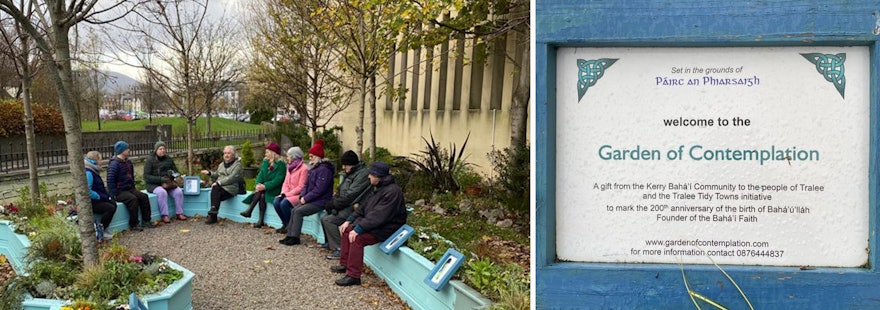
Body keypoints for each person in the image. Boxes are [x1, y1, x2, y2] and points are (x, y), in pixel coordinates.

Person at [330, 162, 407, 286]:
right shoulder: (378, 187)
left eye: (371, 174)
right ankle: (344, 264)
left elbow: (378, 216)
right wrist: (349, 220)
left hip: (388, 228)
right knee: (346, 230)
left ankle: (353, 276)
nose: (368, 176)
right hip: (377, 225)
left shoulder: (393, 192)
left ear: (378, 176)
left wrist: (359, 228)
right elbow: (364, 207)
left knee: (357, 238)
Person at [279, 139, 335, 245]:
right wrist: (302, 196)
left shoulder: (324, 170)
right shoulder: (314, 169)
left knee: (298, 212)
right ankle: (290, 235)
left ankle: (295, 237)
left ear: (318, 157)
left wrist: (306, 198)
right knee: (294, 210)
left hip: (321, 201)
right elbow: (306, 185)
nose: (309, 159)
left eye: (311, 156)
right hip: (312, 199)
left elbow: (319, 189)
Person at [320, 150, 370, 259]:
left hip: (354, 207)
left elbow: (350, 195)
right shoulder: (351, 173)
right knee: (324, 216)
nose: (343, 167)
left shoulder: (362, 175)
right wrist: (334, 202)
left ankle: (340, 249)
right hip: (345, 205)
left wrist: (334, 204)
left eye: (345, 165)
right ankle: (329, 243)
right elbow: (341, 191)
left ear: (352, 164)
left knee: (328, 220)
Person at [107, 140, 153, 231]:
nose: (129, 150)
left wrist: (133, 188)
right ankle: (133, 224)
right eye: (127, 149)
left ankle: (146, 220)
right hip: (119, 191)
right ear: (121, 151)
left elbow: (131, 177)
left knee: (144, 197)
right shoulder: (114, 164)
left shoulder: (128, 162)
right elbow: (110, 181)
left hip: (129, 189)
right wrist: (114, 194)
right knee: (133, 199)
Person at [240, 142, 286, 228]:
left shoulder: (281, 165)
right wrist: (258, 184)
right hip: (264, 189)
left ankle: (250, 211)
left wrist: (265, 186)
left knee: (262, 194)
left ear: (273, 153)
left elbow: (278, 180)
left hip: (274, 189)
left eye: (267, 152)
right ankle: (259, 220)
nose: (265, 154)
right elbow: (260, 174)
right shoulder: (265, 161)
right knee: (261, 195)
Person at [143, 141, 186, 224]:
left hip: (168, 184)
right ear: (156, 150)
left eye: (164, 149)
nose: (163, 150)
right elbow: (146, 177)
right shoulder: (150, 160)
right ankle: (164, 215)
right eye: (160, 149)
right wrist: (161, 179)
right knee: (162, 192)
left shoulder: (169, 159)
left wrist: (174, 175)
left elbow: (175, 171)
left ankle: (179, 213)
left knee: (178, 192)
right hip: (154, 184)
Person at [201, 145, 243, 225]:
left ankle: (213, 216)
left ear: (233, 154)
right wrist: (209, 173)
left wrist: (219, 183)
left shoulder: (237, 165)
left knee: (215, 190)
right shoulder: (222, 164)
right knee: (215, 191)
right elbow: (217, 174)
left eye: (229, 153)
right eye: (225, 153)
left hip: (231, 188)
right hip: (220, 188)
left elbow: (232, 178)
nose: (226, 155)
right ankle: (213, 212)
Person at [272, 146, 309, 234]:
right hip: (288, 194)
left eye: (288, 156)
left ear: (293, 157)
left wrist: (287, 195)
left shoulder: (304, 169)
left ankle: (290, 225)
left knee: (284, 203)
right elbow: (285, 183)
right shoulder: (289, 167)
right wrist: (283, 193)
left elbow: (301, 187)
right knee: (276, 202)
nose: (287, 158)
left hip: (298, 195)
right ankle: (285, 224)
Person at [84, 151, 117, 241]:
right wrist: (101, 197)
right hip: (91, 201)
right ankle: (100, 230)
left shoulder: (93, 170)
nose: (102, 162)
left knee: (113, 204)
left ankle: (103, 229)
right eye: (100, 159)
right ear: (95, 160)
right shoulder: (89, 173)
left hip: (97, 198)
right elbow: (88, 191)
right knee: (109, 208)